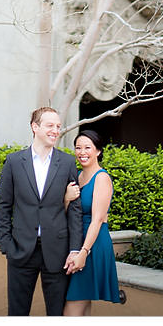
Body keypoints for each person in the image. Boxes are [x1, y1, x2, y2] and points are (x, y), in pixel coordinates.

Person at [0, 106, 83, 316]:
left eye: (58, 126)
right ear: (35, 127)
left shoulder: (68, 162)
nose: (55, 130)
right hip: (20, 250)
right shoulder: (14, 162)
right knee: (17, 313)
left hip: (58, 251)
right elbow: (3, 206)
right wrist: (6, 244)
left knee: (56, 314)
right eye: (50, 125)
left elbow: (75, 211)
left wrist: (74, 249)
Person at [63, 129, 121, 315]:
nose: (82, 152)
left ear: (98, 151)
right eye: (78, 148)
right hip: (77, 242)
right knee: (83, 306)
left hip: (92, 246)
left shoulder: (102, 178)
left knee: (71, 311)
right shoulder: (77, 176)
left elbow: (97, 219)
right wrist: (66, 199)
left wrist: (83, 253)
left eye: (88, 147)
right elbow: (66, 213)